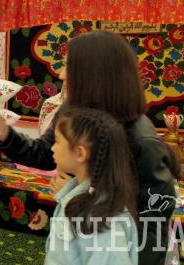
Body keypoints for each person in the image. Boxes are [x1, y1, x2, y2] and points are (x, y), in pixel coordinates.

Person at [0, 30, 176, 265]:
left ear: (93, 74)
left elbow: (153, 223)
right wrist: (4, 134)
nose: (61, 74)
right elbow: (44, 153)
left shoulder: (143, 141)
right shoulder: (72, 112)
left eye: (68, 66)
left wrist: (84, 195)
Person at [46, 105, 138, 265]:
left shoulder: (101, 217)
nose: (52, 148)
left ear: (80, 153)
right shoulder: (77, 199)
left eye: (57, 141)